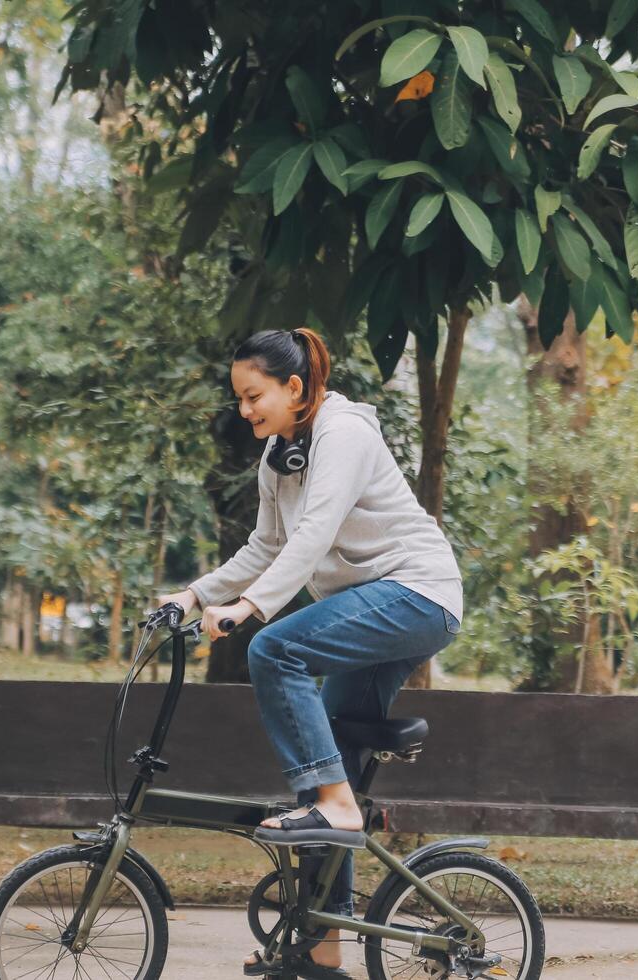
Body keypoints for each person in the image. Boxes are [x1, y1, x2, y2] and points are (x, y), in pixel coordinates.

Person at [157, 327, 463, 977]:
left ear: (294, 388)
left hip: (416, 594)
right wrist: (192, 595)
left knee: (273, 651)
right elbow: (264, 547)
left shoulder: (344, 433)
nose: (244, 411)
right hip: (374, 609)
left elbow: (317, 530)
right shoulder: (278, 456)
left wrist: (250, 609)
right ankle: (323, 950)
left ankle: (334, 801)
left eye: (253, 395)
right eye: (238, 399)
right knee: (331, 773)